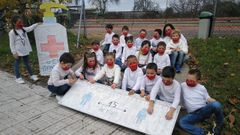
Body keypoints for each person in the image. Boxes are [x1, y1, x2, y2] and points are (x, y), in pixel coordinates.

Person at [179, 69, 224, 135]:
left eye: (191, 81)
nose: (188, 82)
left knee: (216, 104)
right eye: (187, 80)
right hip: (193, 114)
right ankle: (204, 133)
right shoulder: (182, 85)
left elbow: (207, 98)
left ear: (198, 81)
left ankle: (219, 124)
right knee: (182, 123)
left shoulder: (201, 88)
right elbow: (176, 92)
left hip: (204, 110)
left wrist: (212, 101)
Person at [9, 15, 40, 84]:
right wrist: (14, 52)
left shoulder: (23, 29)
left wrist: (36, 24)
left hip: (25, 50)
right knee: (17, 64)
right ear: (14, 23)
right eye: (19, 22)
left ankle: (32, 75)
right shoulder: (12, 33)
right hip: (18, 52)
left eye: (21, 22)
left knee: (27, 63)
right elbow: (11, 44)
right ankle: (18, 77)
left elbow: (30, 28)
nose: (21, 24)